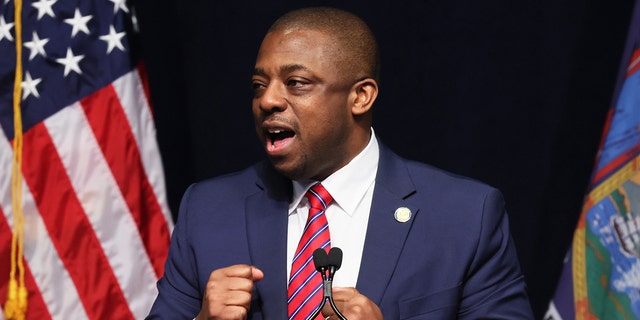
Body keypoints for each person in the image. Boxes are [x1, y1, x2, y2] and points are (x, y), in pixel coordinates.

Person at [147, 6, 534, 320]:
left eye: (296, 82)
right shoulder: (208, 209)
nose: (267, 101)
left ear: (361, 97)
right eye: (259, 86)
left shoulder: (466, 215)